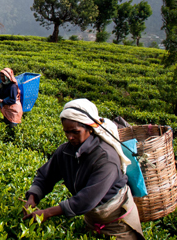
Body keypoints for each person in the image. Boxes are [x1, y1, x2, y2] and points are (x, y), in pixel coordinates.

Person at [22, 99, 144, 240]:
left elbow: (87, 198)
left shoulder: (106, 158)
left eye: (75, 132)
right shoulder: (65, 151)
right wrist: (33, 197)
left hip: (118, 222)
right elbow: (46, 176)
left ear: (90, 128)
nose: (70, 137)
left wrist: (47, 213)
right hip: (92, 218)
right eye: (66, 132)